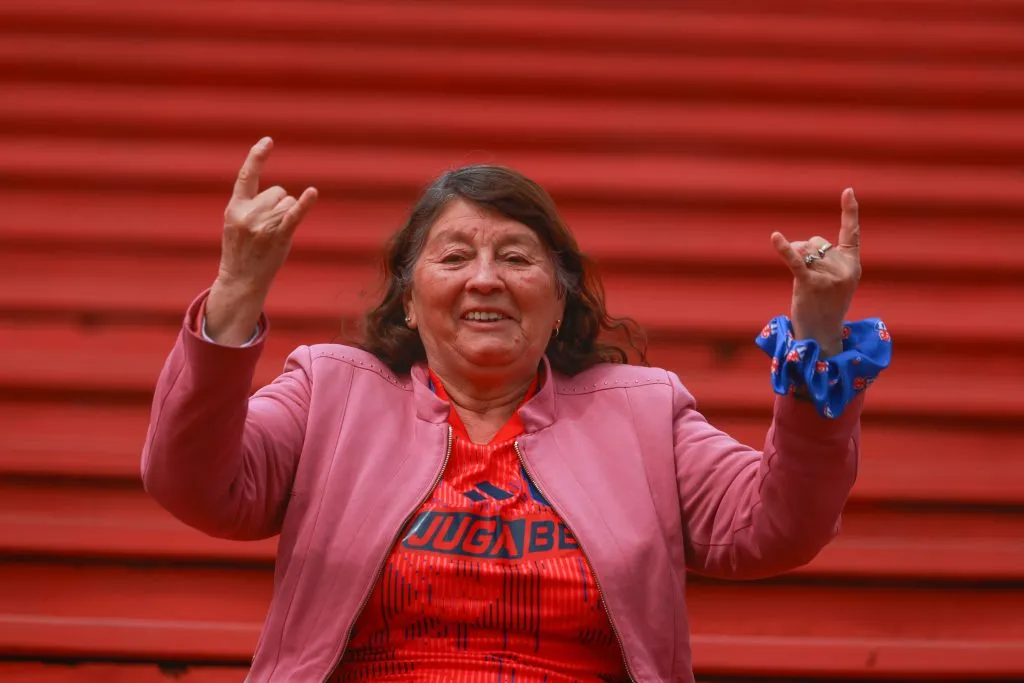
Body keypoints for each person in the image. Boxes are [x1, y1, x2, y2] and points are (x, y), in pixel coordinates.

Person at [141, 137, 891, 683]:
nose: (486, 279)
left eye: (517, 257)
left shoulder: (643, 414)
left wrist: (820, 338)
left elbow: (778, 524)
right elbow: (192, 481)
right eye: (455, 256)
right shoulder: (330, 391)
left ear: (559, 296)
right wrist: (237, 288)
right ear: (409, 293)